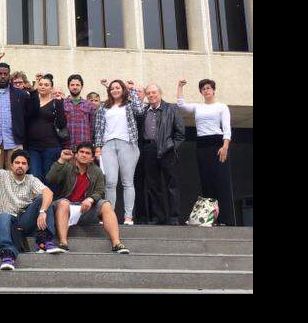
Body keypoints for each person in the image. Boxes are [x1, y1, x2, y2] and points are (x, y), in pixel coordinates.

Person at [47, 145, 130, 254]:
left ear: (92, 158)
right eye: (81, 152)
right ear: (76, 154)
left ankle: (116, 243)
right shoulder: (67, 167)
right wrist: (61, 160)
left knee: (106, 205)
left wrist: (91, 199)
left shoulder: (97, 171)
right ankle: (63, 243)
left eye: (87, 153)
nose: (84, 155)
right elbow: (50, 179)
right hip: (66, 208)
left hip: (86, 209)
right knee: (63, 203)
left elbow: (101, 191)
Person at [0, 149, 58, 270]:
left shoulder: (31, 179)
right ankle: (7, 254)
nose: (20, 165)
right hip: (3, 221)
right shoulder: (1, 175)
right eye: (17, 162)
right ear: (11, 165)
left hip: (23, 222)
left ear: (28, 167)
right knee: (4, 216)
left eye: (24, 163)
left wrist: (42, 211)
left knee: (43, 198)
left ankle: (44, 240)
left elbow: (48, 192)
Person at [177, 79, 236, 225]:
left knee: (221, 182)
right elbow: (181, 105)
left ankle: (226, 220)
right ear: (201, 92)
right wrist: (180, 87)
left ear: (213, 90)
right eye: (203, 89)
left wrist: (225, 146)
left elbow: (226, 128)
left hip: (218, 145)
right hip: (202, 145)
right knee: (206, 181)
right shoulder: (198, 107)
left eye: (209, 88)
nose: (206, 90)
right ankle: (210, 219)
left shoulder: (221, 107)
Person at [94, 78, 147, 225]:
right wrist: (98, 147)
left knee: (127, 182)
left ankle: (128, 217)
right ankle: (108, 216)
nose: (115, 90)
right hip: (108, 146)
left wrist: (132, 91)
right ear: (109, 91)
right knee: (110, 182)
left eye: (118, 87)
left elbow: (140, 110)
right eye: (112, 88)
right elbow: (98, 129)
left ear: (123, 90)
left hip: (127, 145)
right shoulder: (103, 107)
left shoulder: (130, 105)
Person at [134, 83, 186, 225]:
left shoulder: (171, 108)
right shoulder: (143, 111)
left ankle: (174, 217)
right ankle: (158, 218)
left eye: (154, 92)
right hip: (148, 150)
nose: (151, 95)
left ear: (160, 93)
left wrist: (172, 147)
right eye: (149, 93)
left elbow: (180, 133)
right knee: (153, 186)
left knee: (172, 186)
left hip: (167, 150)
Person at [0, 62, 38, 171]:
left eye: (6, 73)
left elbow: (33, 113)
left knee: (14, 176)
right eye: (0, 73)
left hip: (15, 142)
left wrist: (33, 93)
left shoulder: (20, 94)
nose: (3, 76)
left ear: (9, 75)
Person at [26, 73, 67, 181]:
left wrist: (59, 104)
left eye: (46, 85)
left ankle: (51, 198)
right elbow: (28, 116)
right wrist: (33, 91)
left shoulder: (55, 102)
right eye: (41, 84)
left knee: (50, 177)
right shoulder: (32, 100)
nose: (43, 86)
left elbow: (62, 124)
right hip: (33, 147)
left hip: (51, 146)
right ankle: (38, 199)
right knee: (35, 177)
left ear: (51, 88)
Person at [62, 74, 94, 153]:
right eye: (72, 85)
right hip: (67, 145)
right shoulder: (62, 103)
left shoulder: (89, 105)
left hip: (84, 146)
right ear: (68, 86)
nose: (75, 87)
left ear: (81, 87)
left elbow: (92, 126)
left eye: (77, 85)